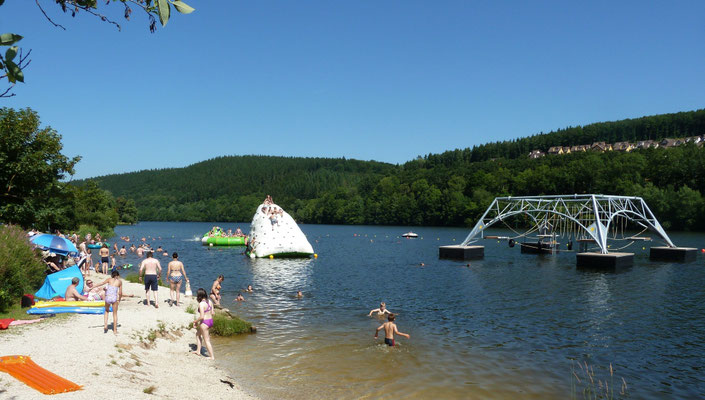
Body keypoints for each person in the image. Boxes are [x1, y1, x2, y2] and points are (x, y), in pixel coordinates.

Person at [192, 288, 215, 360]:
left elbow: (201, 317)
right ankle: (198, 351)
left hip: (204, 323)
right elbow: (213, 312)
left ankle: (212, 356)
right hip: (210, 321)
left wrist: (195, 321)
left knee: (207, 340)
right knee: (198, 334)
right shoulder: (210, 301)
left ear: (199, 296)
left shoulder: (201, 304)